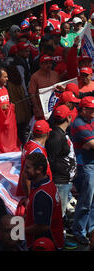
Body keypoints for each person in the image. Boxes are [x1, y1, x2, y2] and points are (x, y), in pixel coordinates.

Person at [23, 152, 64, 250]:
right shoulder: (47, 183)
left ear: (39, 169)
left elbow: (42, 227)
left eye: (28, 167)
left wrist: (19, 230)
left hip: (44, 244)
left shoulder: (42, 194)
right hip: (53, 241)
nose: (25, 170)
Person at [70, 96, 94, 245]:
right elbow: (91, 143)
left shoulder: (90, 120)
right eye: (91, 109)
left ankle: (90, 228)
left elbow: (91, 145)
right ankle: (79, 230)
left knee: (92, 201)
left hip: (90, 164)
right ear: (83, 109)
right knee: (86, 201)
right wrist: (90, 144)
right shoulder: (79, 123)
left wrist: (90, 145)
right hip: (86, 167)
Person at [45, 105, 77, 219]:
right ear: (68, 118)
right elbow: (51, 160)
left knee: (60, 213)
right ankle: (57, 235)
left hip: (64, 182)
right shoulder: (56, 137)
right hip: (60, 183)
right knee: (58, 214)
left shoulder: (59, 134)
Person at [17, 120, 53, 199]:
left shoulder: (29, 144)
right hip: (36, 192)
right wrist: (30, 197)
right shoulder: (37, 151)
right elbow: (26, 175)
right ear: (48, 134)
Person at [28, 55, 61, 120]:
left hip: (54, 107)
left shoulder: (55, 74)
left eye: (50, 63)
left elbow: (59, 90)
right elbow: (32, 94)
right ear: (41, 65)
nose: (48, 65)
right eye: (46, 63)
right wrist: (37, 109)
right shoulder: (35, 77)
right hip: (41, 110)